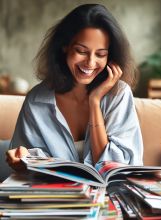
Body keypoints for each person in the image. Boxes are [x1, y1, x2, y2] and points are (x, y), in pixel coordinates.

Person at [6, 4, 143, 171]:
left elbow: (115, 169)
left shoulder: (119, 95)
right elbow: (25, 162)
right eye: (81, 51)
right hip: (54, 196)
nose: (90, 63)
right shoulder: (36, 100)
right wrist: (20, 161)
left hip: (109, 195)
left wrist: (95, 102)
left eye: (100, 54)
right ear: (65, 46)